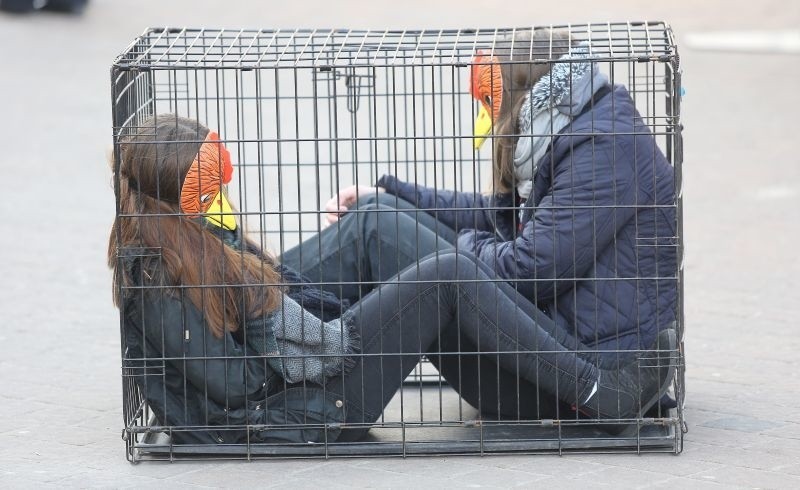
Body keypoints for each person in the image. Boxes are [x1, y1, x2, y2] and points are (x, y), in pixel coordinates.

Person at [108, 114, 675, 445]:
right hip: (306, 404)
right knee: (447, 274)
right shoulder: (155, 272)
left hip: (310, 368)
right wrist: (267, 310)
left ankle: (578, 378)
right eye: (205, 192)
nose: (219, 201)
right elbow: (235, 387)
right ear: (169, 194)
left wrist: (276, 305)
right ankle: (600, 393)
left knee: (380, 223)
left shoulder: (187, 242)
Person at [311, 29, 679, 419]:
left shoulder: (604, 147)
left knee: (379, 231)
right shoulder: (583, 124)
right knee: (379, 214)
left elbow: (530, 269)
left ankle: (260, 314)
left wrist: (465, 249)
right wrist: (389, 192)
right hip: (545, 347)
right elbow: (497, 216)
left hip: (562, 379)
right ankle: (268, 311)